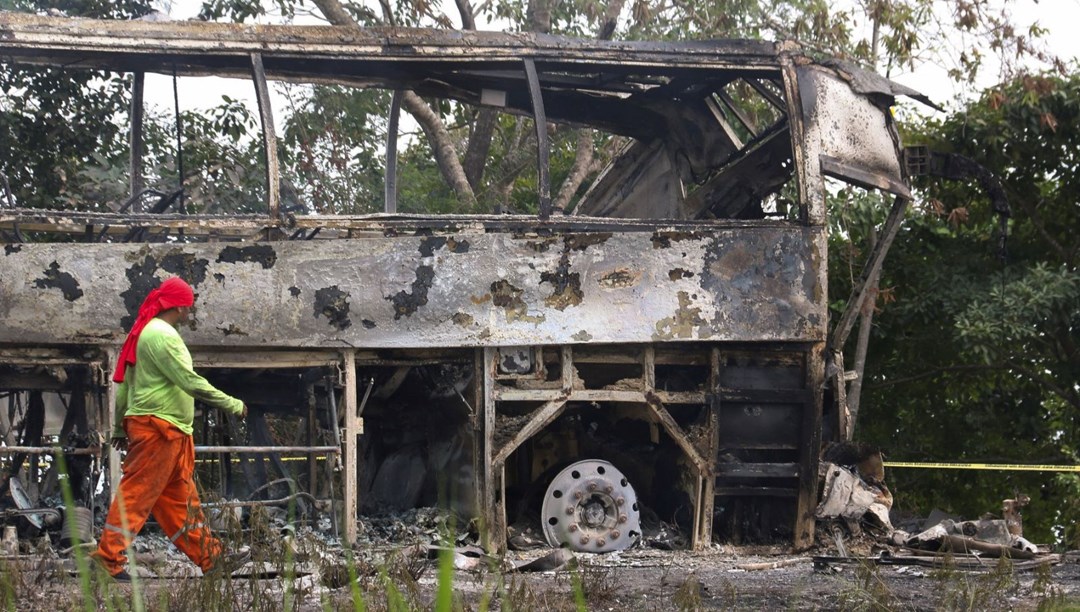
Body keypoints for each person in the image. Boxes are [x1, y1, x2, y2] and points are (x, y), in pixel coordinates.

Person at [92, 277, 247, 581]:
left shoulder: (143, 333)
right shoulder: (163, 336)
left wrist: (121, 428)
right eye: (189, 306)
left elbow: (123, 387)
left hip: (164, 430)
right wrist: (233, 404)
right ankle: (108, 560)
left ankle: (212, 559)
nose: (190, 312)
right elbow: (190, 381)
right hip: (159, 429)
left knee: (180, 502)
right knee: (136, 495)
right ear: (179, 306)